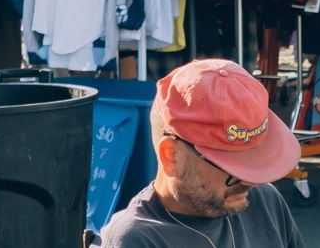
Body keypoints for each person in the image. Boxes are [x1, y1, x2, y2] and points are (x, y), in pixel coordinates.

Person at [101, 59, 305, 247]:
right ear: (171, 155)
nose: (251, 182)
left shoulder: (265, 202)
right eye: (232, 167)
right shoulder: (136, 240)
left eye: (255, 162)